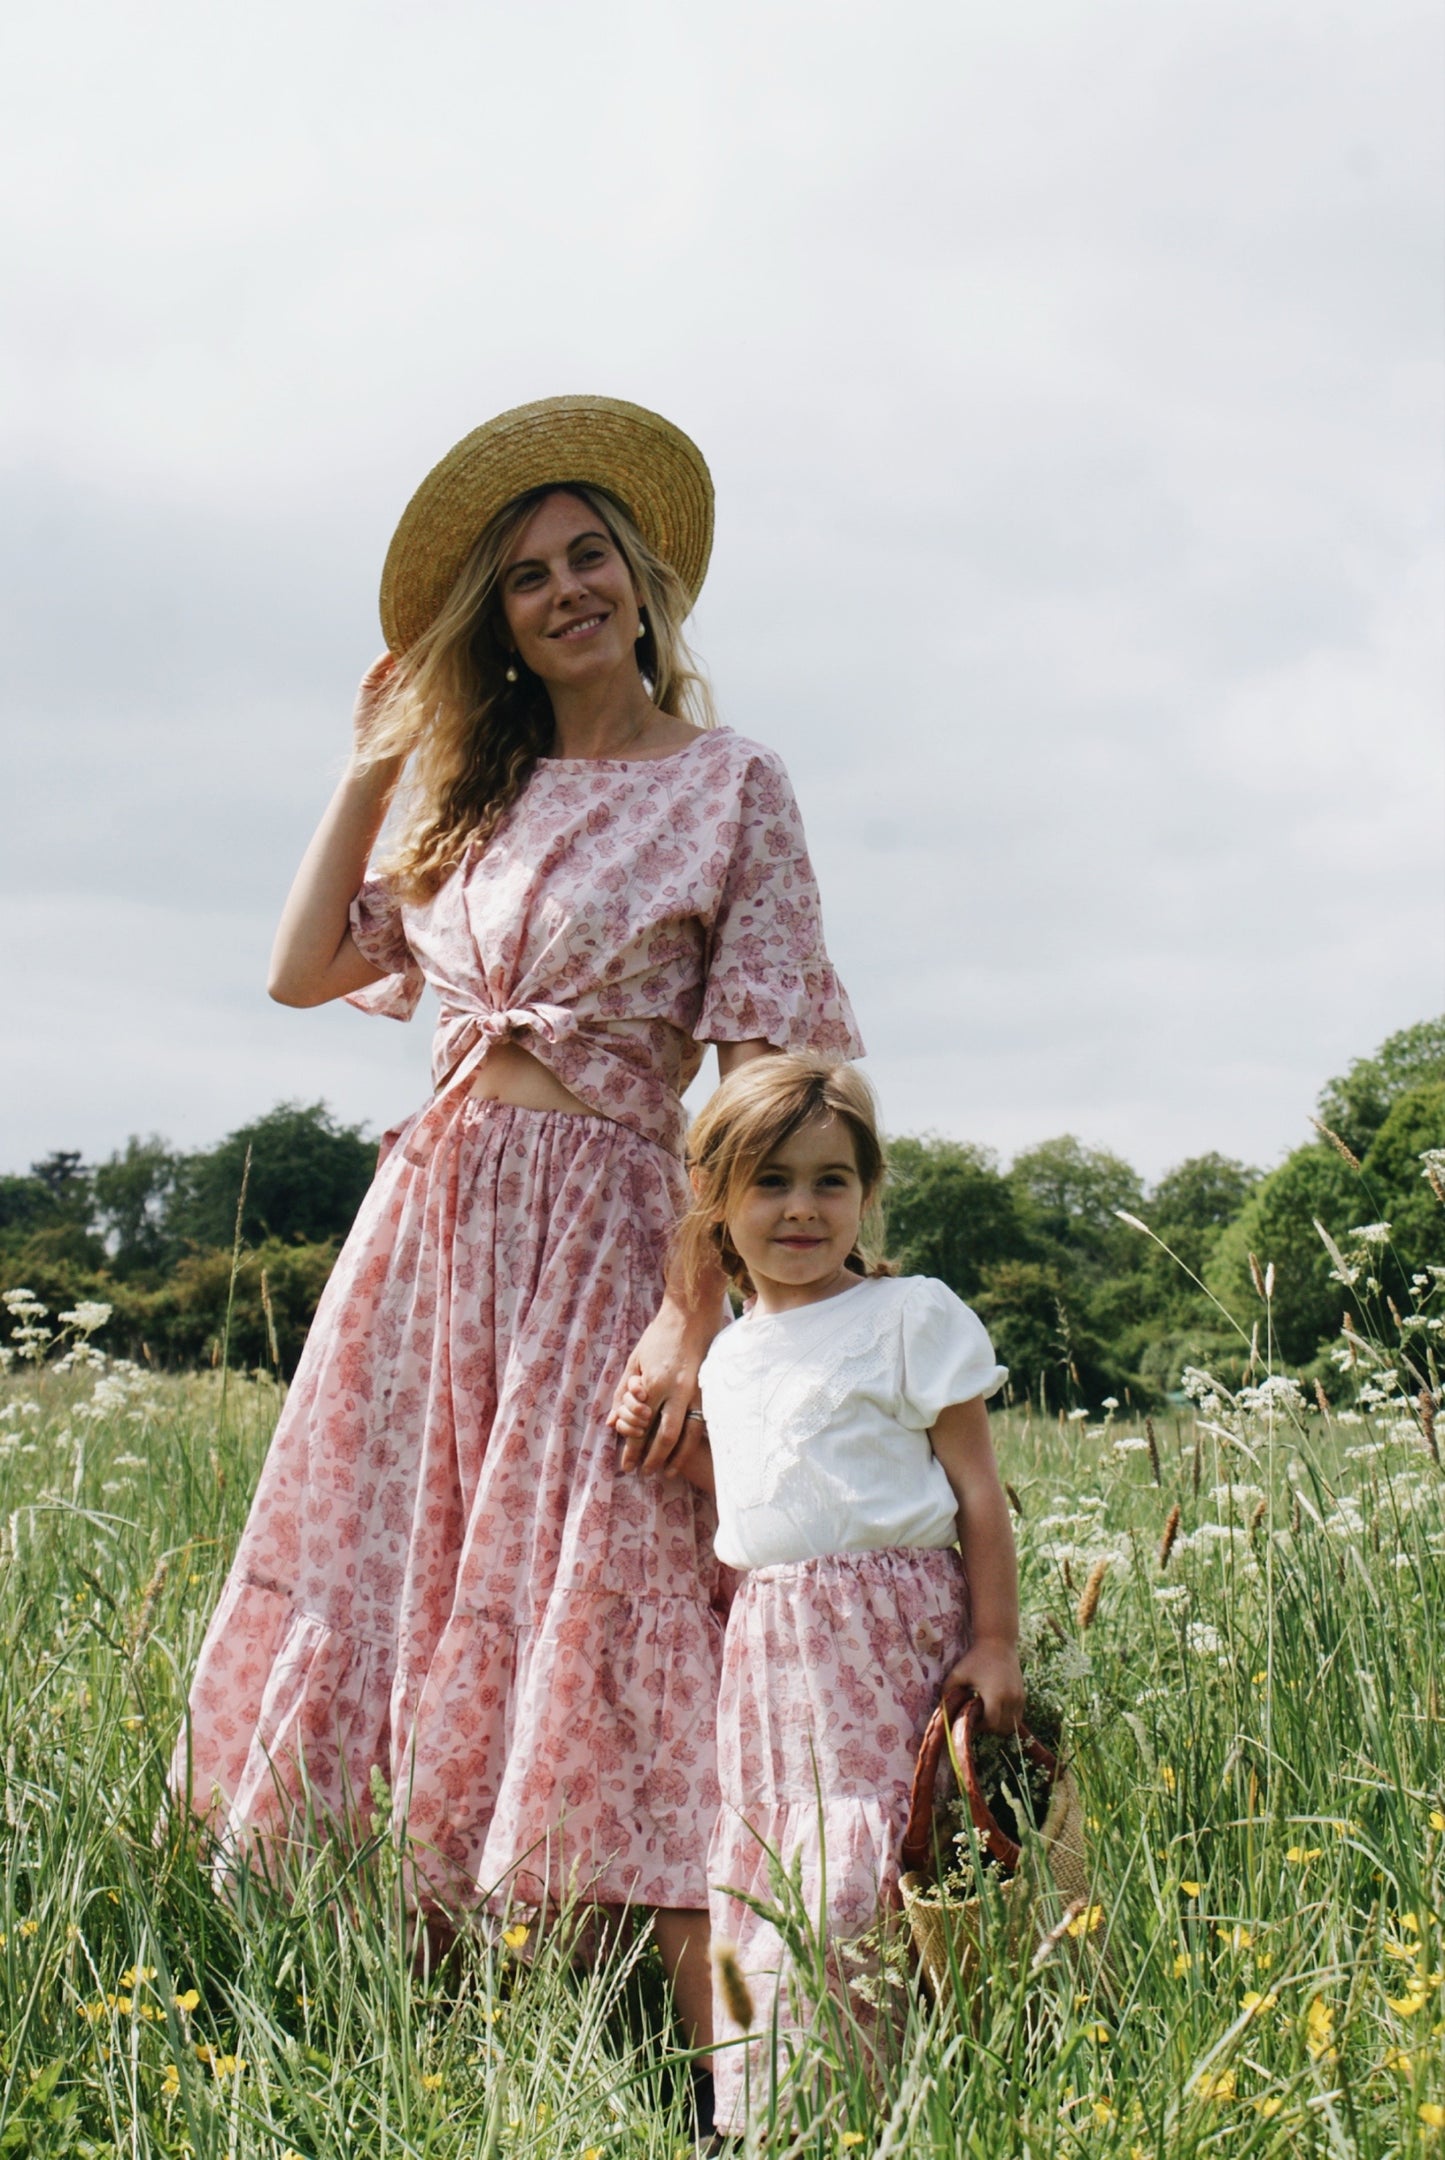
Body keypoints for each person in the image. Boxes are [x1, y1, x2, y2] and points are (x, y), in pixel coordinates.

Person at [171, 396, 861, 2054]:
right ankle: (437, 2020)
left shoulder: (729, 788)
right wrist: (367, 772)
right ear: (500, 620)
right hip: (428, 1231)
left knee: (596, 1579)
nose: (566, 588)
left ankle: (698, 2043)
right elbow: (301, 970)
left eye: (589, 555)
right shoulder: (477, 801)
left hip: (615, 1230)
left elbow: (771, 1073)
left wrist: (696, 1319)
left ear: (639, 575)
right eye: (531, 574)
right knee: (397, 1571)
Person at [614, 1055, 1022, 2130]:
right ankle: (769, 2114)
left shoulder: (906, 1316)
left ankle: (906, 2102)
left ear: (866, 1191)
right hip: (773, 1650)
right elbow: (771, 1488)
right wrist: (673, 1455)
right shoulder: (732, 1355)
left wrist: (995, 1643)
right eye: (768, 1182)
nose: (800, 1207)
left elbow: (976, 1494)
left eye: (829, 1181)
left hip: (891, 1640)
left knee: (869, 1879)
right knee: (774, 1886)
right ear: (716, 1204)